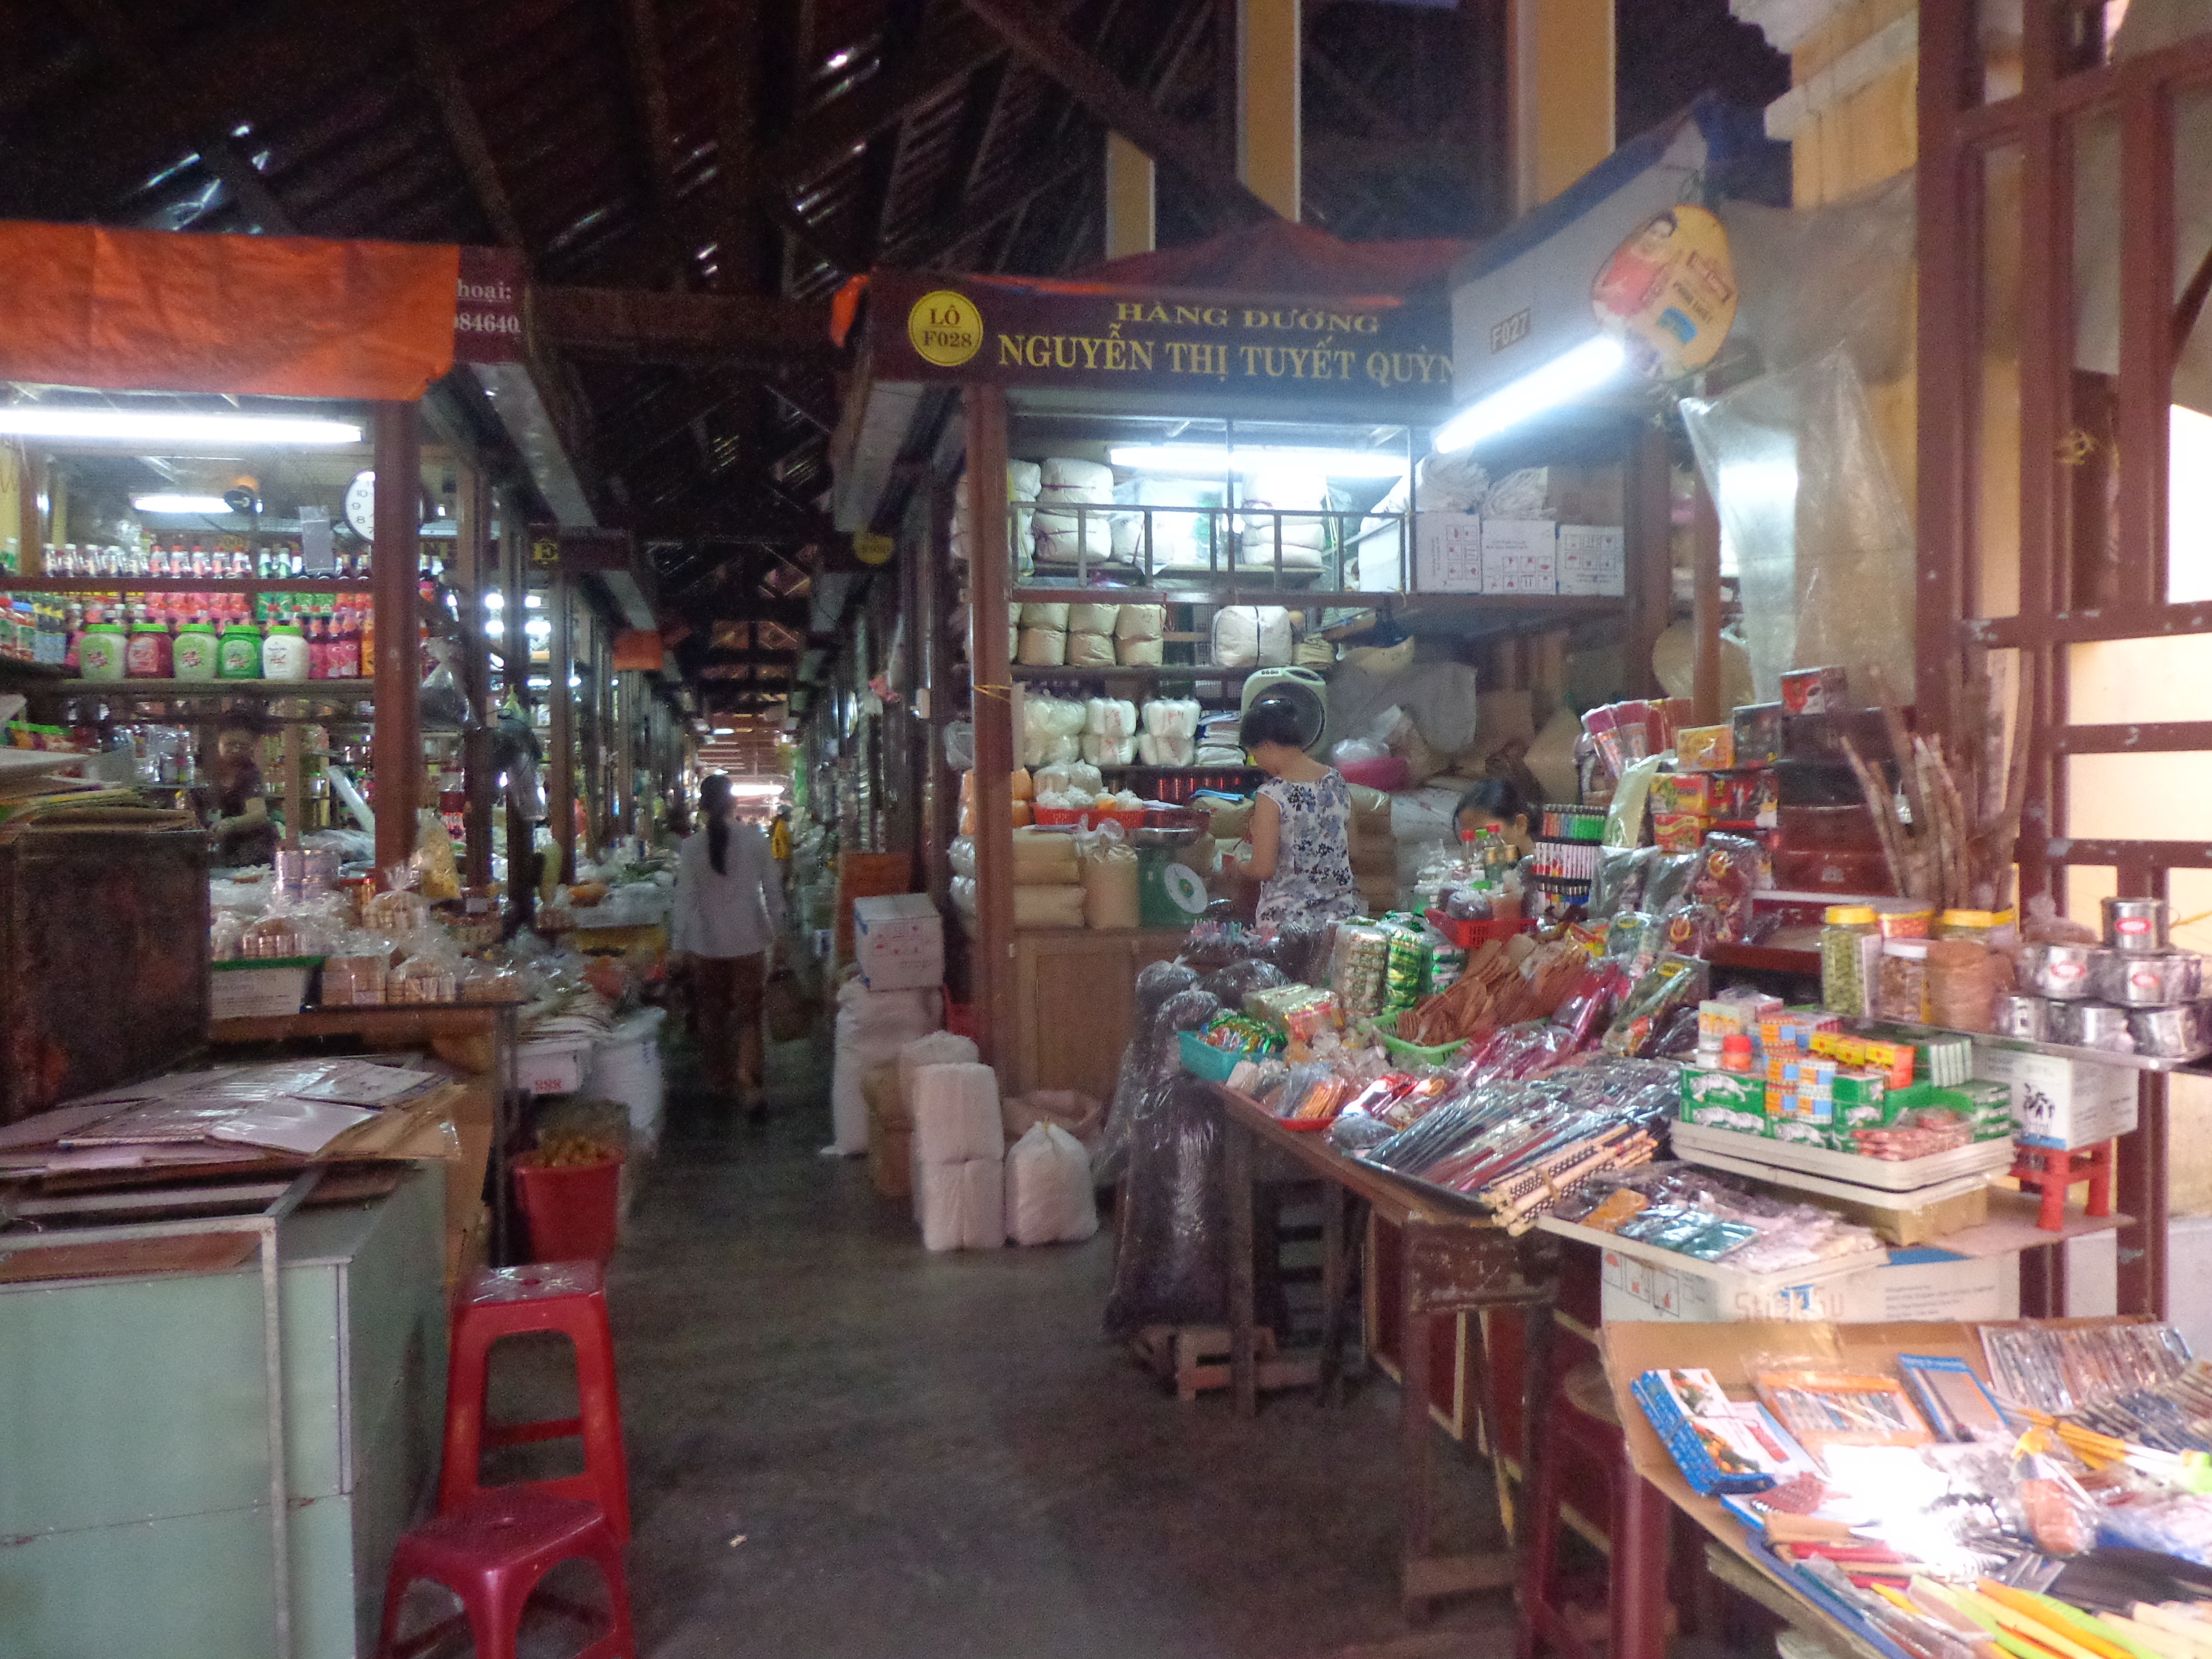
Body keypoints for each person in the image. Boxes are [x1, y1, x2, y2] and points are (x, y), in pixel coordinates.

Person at [670, 774, 785, 1114]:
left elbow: (684, 901)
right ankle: (750, 1085)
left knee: (711, 1017)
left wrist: (678, 945)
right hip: (750, 941)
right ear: (733, 804)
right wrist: (781, 935)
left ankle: (720, 1084)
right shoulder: (756, 840)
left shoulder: (691, 849)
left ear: (702, 807)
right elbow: (774, 893)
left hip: (705, 945)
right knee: (750, 1018)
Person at [1235, 697, 1358, 930]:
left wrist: (1238, 866)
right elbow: (1355, 851)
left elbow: (1263, 869)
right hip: (1341, 921)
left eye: (1255, 754)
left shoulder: (1272, 795)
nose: (1258, 763)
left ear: (1268, 746)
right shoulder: (1337, 782)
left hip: (1288, 926)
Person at [202, 717, 279, 867]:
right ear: (219, 743)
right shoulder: (213, 769)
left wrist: (230, 824)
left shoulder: (250, 774)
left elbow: (259, 814)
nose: (236, 749)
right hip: (227, 846)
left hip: (253, 850)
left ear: (252, 747)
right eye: (230, 744)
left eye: (243, 745)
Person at [1454, 776, 1537, 857]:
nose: (1476, 850)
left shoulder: (1544, 868)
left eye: (1484, 835)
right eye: (1469, 838)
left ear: (1520, 824)